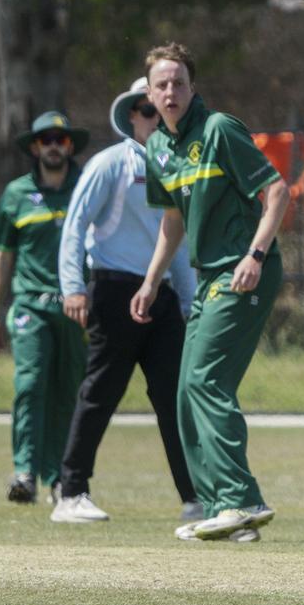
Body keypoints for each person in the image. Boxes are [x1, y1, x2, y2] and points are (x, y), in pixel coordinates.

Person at [129, 42, 290, 543]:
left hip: (243, 272)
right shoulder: (158, 147)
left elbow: (277, 190)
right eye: (161, 84)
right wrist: (152, 279)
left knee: (205, 380)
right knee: (184, 392)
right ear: (149, 94)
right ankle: (227, 511)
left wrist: (255, 256)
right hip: (208, 278)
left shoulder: (219, 130)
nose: (170, 91)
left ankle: (242, 498)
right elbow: (172, 222)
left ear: (192, 87)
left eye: (178, 82)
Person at [51, 77, 201, 525]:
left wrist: (189, 303)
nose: (157, 117)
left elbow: (176, 242)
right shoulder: (110, 163)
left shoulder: (175, 167)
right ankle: (70, 491)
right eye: (147, 110)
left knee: (176, 399)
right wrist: (73, 286)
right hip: (115, 289)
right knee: (101, 393)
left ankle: (194, 498)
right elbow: (75, 226)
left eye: (162, 109)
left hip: (162, 297)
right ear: (133, 115)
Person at [0, 111, 89, 505]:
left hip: (76, 306)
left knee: (68, 392)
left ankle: (59, 476)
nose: (53, 146)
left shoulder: (84, 186)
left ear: (69, 146)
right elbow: (2, 256)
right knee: (30, 384)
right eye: (46, 139)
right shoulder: (16, 194)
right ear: (34, 146)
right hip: (30, 305)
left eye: (61, 140)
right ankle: (25, 472)